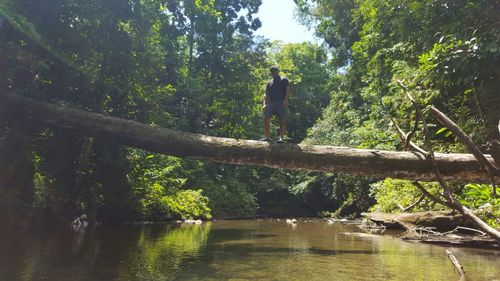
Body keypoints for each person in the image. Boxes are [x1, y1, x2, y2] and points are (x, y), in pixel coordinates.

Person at [262, 66, 291, 143]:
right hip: (271, 103)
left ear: (278, 71)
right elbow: (266, 94)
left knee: (282, 119)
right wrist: (264, 104)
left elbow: (288, 89)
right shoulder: (269, 82)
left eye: (275, 71)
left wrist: (285, 100)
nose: (273, 72)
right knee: (266, 118)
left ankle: (281, 138)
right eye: (272, 71)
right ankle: (267, 137)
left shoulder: (284, 79)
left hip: (280, 102)